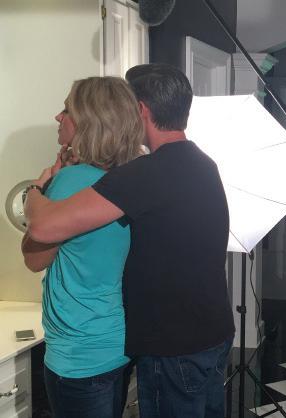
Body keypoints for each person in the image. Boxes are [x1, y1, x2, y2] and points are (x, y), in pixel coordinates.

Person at [24, 63, 235, 418]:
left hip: (173, 345)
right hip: (213, 331)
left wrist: (34, 188)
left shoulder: (146, 173)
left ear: (139, 109)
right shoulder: (202, 162)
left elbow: (43, 228)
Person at [21, 76, 144, 418]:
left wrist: (38, 187)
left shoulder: (70, 181)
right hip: (117, 341)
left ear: (89, 121)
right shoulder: (130, 177)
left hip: (77, 353)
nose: (58, 117)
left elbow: (33, 257)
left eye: (67, 110)